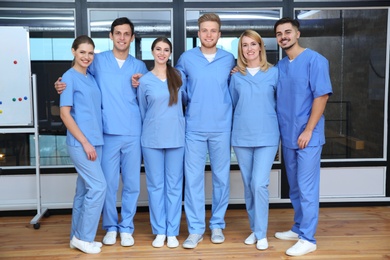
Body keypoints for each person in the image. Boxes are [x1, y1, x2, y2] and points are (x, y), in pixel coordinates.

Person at [56, 17, 148, 247]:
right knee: (107, 184)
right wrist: (59, 83)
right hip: (106, 134)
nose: (122, 37)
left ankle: (126, 227)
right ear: (110, 36)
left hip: (133, 131)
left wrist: (143, 82)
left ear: (132, 37)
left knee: (132, 183)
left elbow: (151, 92)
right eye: (118, 33)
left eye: (126, 33)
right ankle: (110, 226)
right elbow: (77, 74)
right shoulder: (98, 61)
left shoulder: (139, 66)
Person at [273, 17, 332, 257]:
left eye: (288, 32)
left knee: (307, 189)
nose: (283, 36)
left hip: (308, 136)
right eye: (279, 34)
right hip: (288, 136)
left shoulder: (315, 60)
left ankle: (308, 238)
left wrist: (308, 130)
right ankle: (298, 228)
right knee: (295, 188)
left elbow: (322, 96)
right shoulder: (280, 66)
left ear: (297, 34)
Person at [176, 13, 236, 249]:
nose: (208, 34)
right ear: (198, 33)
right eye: (204, 30)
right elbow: (173, 85)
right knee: (193, 180)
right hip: (194, 128)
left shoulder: (230, 59)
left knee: (221, 178)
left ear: (219, 34)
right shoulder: (186, 59)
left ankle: (217, 224)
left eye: (213, 30)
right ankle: (195, 229)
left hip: (222, 127)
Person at [229, 30, 279, 251]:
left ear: (261, 47)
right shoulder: (235, 76)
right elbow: (231, 105)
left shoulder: (275, 74)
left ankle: (261, 233)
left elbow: (281, 104)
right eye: (244, 45)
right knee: (250, 186)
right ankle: (255, 229)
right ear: (241, 50)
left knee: (259, 184)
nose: (249, 49)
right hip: (241, 137)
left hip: (267, 136)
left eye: (253, 44)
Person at [137, 37, 186, 248]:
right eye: (158, 49)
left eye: (166, 50)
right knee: (156, 186)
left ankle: (172, 231)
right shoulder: (144, 81)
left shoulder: (179, 76)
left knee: (174, 186)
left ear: (170, 53)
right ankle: (159, 231)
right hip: (151, 140)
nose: (162, 53)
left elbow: (185, 105)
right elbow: (142, 111)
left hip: (176, 138)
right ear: (152, 51)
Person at [60, 35, 106, 254]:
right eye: (82, 52)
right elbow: (64, 114)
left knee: (83, 191)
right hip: (81, 143)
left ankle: (75, 237)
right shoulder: (69, 78)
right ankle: (85, 237)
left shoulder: (90, 77)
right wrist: (85, 142)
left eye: (90, 53)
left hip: (96, 141)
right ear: (73, 52)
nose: (86, 57)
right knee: (98, 187)